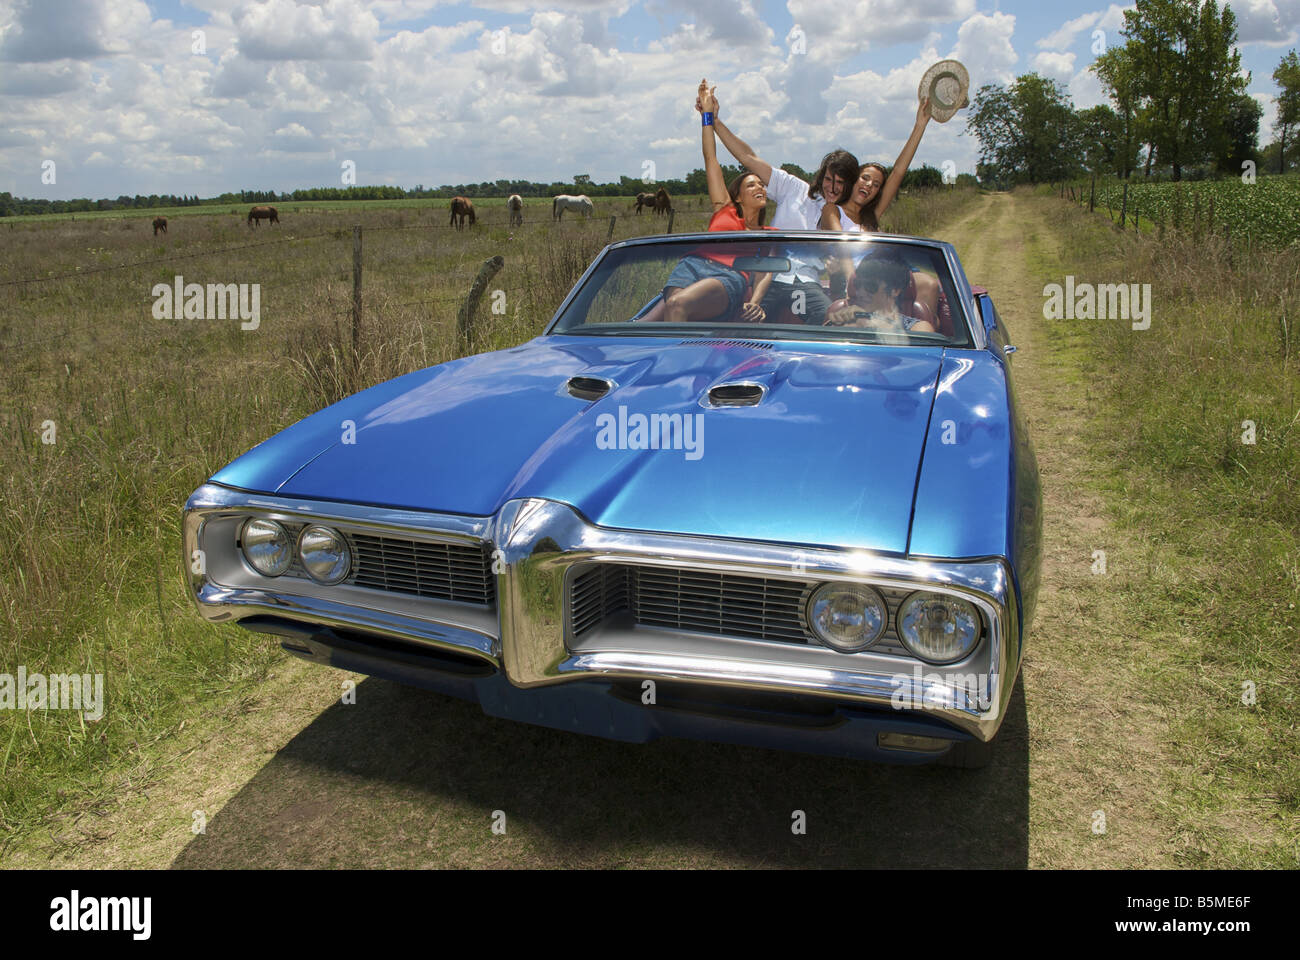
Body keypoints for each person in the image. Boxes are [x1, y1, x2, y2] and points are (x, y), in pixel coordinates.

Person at [700, 79, 858, 324]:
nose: (832, 188)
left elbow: (847, 258)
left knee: (833, 323)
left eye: (840, 184)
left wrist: (841, 275)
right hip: (769, 278)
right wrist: (714, 120)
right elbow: (747, 157)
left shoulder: (844, 218)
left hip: (807, 283)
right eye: (829, 179)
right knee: (742, 325)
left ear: (849, 185)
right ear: (821, 176)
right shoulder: (794, 188)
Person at [655, 82, 773, 324]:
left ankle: (678, 363)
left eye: (761, 184)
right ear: (738, 196)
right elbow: (711, 158)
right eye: (751, 184)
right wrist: (707, 116)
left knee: (677, 306)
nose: (759, 187)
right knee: (659, 321)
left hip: (726, 277)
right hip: (691, 265)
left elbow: (766, 270)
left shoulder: (769, 234)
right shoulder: (725, 209)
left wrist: (755, 302)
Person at [825, 257, 935, 333]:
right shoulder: (844, 321)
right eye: (857, 285)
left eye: (870, 286)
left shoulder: (918, 328)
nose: (860, 293)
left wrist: (869, 323)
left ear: (895, 290)